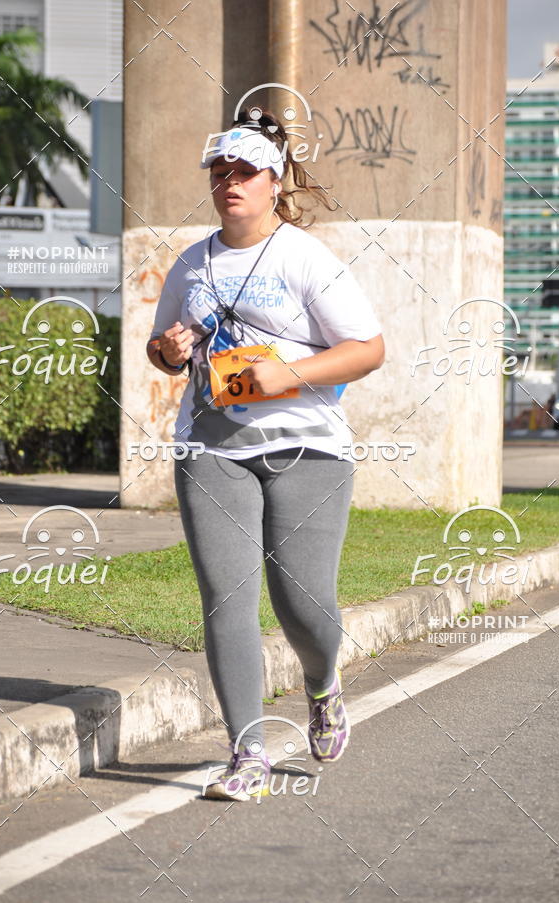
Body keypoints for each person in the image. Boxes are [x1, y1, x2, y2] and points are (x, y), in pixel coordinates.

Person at [146, 108, 385, 801]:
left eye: (245, 171)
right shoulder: (192, 263)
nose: (230, 183)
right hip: (210, 446)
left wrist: (287, 374)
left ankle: (321, 681)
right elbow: (162, 348)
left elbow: (368, 348)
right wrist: (166, 351)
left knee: (303, 602)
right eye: (221, 171)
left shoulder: (305, 258)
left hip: (305, 447)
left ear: (275, 182)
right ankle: (247, 752)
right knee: (227, 596)